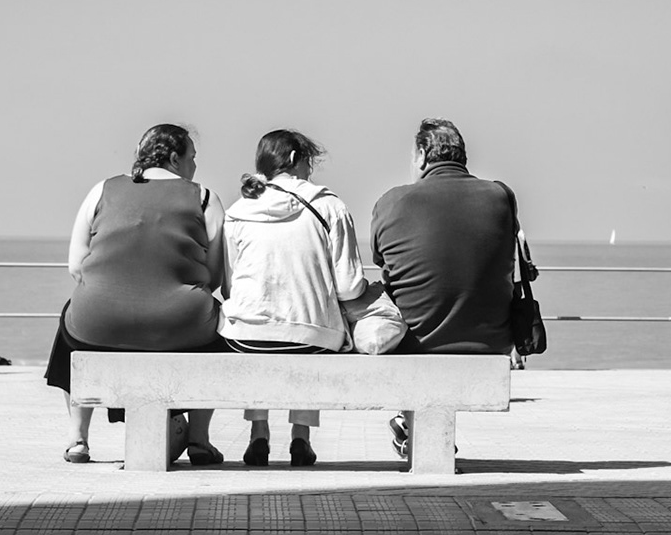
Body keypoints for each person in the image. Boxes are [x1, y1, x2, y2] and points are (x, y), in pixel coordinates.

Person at [46, 123, 227, 466]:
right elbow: (215, 275)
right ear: (173, 158)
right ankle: (199, 439)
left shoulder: (102, 190)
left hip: (97, 324)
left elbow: (76, 266)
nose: (194, 165)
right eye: (192, 157)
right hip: (181, 325)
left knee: (70, 325)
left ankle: (78, 438)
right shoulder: (205, 197)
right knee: (219, 328)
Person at [370, 118, 521, 458]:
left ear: (423, 155)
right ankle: (411, 425)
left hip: (413, 341)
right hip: (492, 340)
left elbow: (382, 261)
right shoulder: (501, 196)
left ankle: (411, 423)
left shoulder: (391, 201)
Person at [221, 130, 370, 467]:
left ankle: (258, 433)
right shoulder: (329, 205)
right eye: (308, 163)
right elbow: (349, 287)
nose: (310, 172)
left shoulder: (238, 211)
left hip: (245, 339)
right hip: (312, 341)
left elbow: (230, 287)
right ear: (293, 160)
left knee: (259, 330)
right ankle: (300, 436)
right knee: (310, 323)